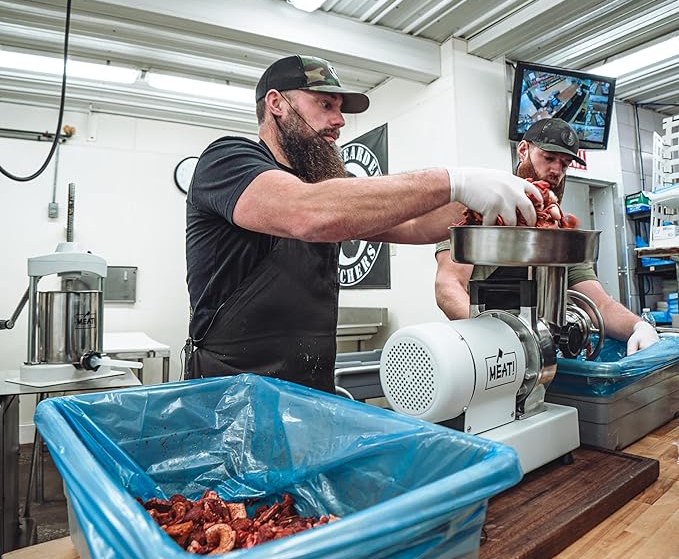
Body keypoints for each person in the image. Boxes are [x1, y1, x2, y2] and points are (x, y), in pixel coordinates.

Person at [185, 54, 545, 392]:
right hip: (230, 393)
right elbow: (307, 212)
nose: (339, 121)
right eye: (325, 105)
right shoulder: (228, 160)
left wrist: (490, 204)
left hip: (309, 388)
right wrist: (454, 180)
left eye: (340, 109)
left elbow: (415, 224)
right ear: (276, 103)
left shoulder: (325, 190)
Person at [434, 118, 659, 356]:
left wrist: (639, 327)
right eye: (549, 158)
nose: (556, 171)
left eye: (565, 164)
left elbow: (599, 304)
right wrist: (493, 343)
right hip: (485, 354)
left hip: (542, 354)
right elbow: (449, 287)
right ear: (523, 150)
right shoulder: (480, 209)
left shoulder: (558, 231)